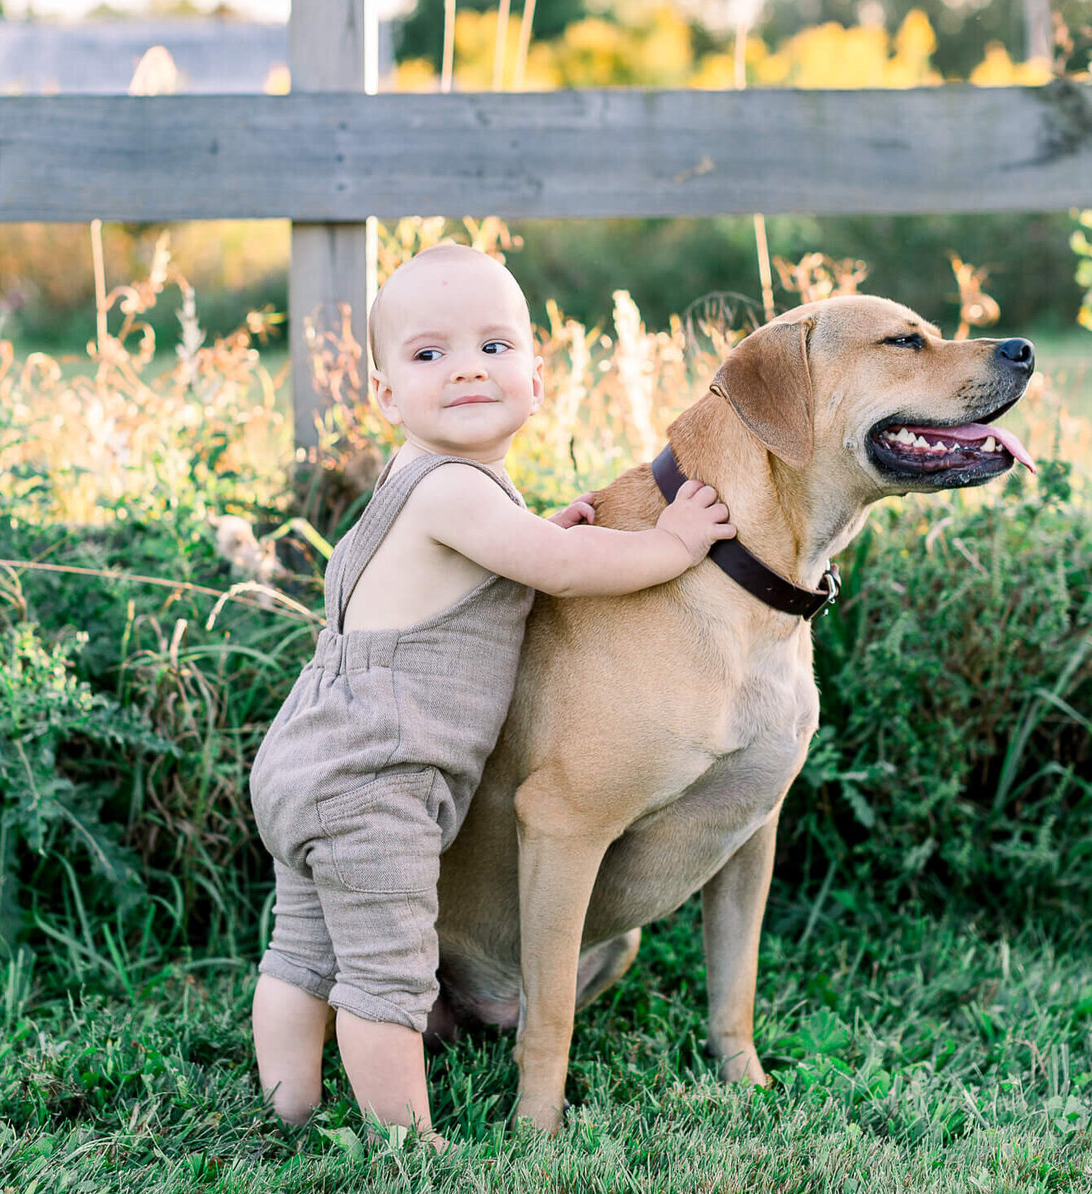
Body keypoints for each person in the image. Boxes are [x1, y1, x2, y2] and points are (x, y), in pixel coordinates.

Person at [249, 242, 732, 1143]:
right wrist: (668, 545)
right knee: (388, 972)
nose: (467, 367)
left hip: (306, 756)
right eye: (429, 354)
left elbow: (489, 564)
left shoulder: (429, 489)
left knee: (304, 949)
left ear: (536, 380)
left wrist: (535, 526)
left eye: (494, 347)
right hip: (373, 781)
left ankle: (290, 1107)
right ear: (388, 396)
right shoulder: (453, 493)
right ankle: (406, 1144)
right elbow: (557, 569)